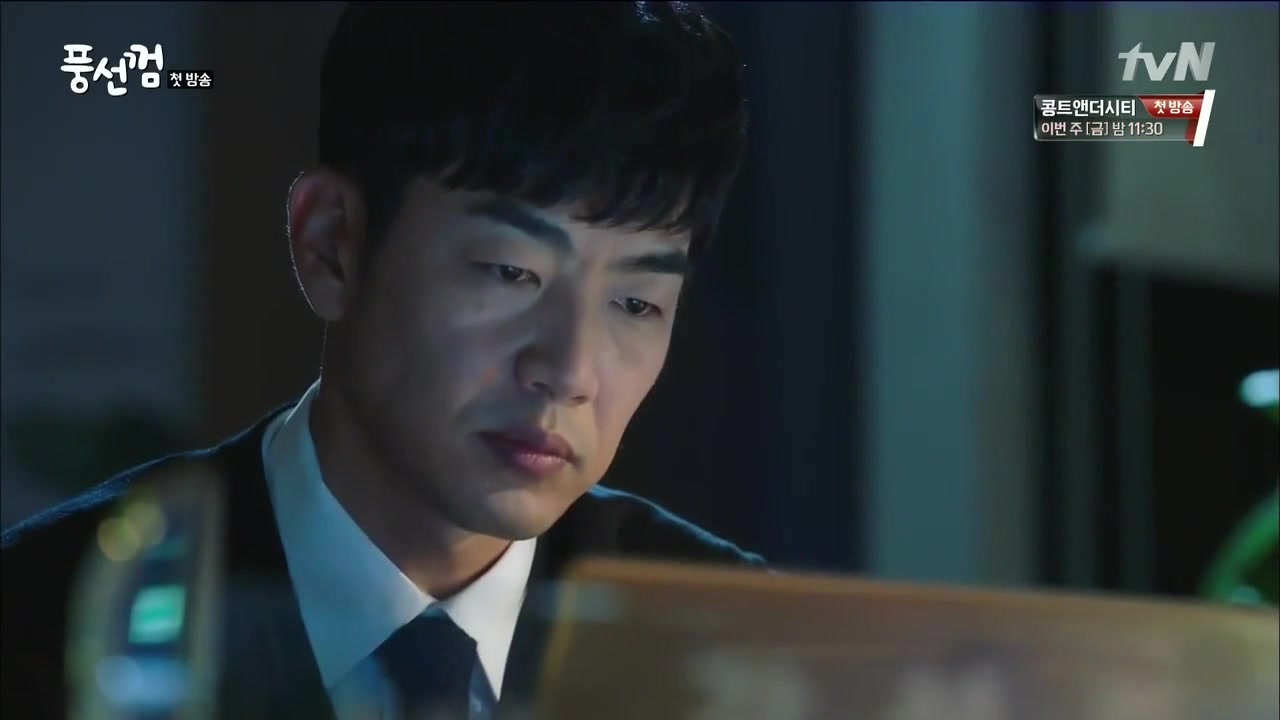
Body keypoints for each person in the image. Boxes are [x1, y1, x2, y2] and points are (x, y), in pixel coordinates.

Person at [1, 2, 761, 719]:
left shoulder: (739, 650)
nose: (570, 371)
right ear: (331, 245)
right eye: (510, 271)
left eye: (636, 304)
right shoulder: (44, 629)